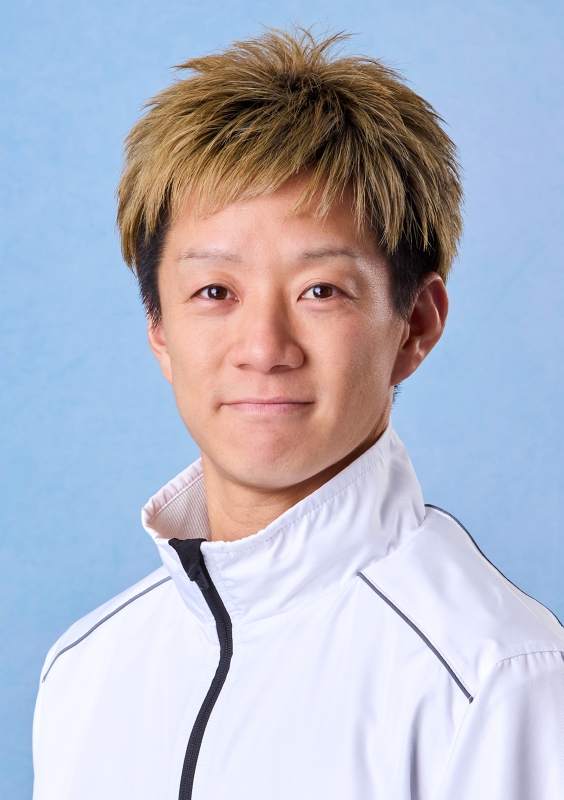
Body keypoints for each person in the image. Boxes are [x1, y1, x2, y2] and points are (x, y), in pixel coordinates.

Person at [32, 28, 564, 800]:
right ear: (159, 330)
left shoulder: (496, 680)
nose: (264, 347)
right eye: (214, 292)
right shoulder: (85, 673)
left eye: (321, 291)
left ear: (415, 325)